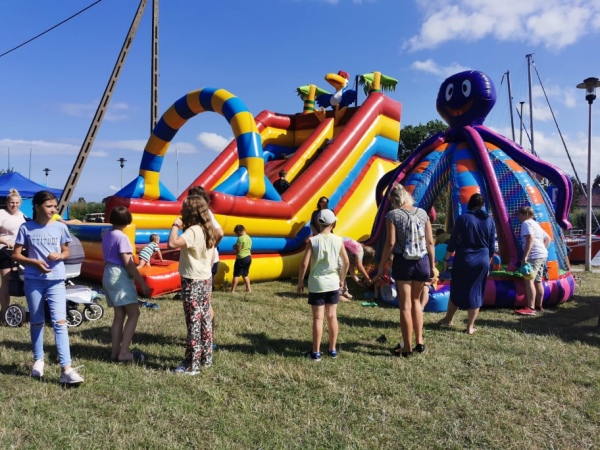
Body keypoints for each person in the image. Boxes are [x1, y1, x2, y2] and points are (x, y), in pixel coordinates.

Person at [12, 190, 84, 385]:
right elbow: (16, 255)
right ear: (37, 207)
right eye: (49, 206)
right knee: (37, 321)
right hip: (33, 280)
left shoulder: (60, 227)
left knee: (60, 323)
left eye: (55, 206)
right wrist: (34, 262)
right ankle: (38, 361)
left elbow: (66, 250)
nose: (54, 210)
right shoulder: (26, 228)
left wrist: (61, 255)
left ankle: (66, 369)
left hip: (56, 280)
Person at [378, 184, 435, 357]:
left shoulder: (393, 215)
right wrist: (432, 266)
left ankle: (407, 347)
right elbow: (430, 242)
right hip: (422, 261)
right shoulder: (423, 213)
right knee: (416, 301)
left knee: (405, 305)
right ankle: (419, 341)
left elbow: (390, 243)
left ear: (394, 200)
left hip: (403, 261)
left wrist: (382, 264)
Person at [168, 195, 217, 375]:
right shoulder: (207, 229)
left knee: (193, 322)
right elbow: (211, 256)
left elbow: (172, 243)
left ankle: (192, 364)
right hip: (205, 279)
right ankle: (205, 358)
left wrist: (175, 225)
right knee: (204, 320)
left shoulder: (193, 231)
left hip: (192, 281)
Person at [438, 193, 496, 334]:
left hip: (464, 258)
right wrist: (488, 264)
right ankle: (470, 326)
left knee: (456, 288)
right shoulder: (489, 221)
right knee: (477, 292)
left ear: (470, 203)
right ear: (482, 205)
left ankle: (448, 319)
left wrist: (446, 259)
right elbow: (492, 247)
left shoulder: (463, 218)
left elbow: (453, 241)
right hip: (482, 259)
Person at [297, 209, 349, 361]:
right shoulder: (339, 240)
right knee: (332, 316)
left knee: (318, 318)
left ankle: (316, 352)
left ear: (318, 223)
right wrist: (342, 279)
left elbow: (304, 263)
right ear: (333, 224)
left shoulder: (313, 241)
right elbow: (346, 262)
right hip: (333, 283)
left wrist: (300, 281)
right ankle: (332, 350)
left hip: (317, 284)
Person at [102, 206, 152, 362]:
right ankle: (124, 353)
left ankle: (115, 352)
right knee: (134, 313)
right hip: (119, 276)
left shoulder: (107, 235)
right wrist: (142, 283)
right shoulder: (122, 237)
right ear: (128, 220)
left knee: (119, 315)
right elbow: (128, 263)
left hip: (108, 273)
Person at [187, 186, 224, 348]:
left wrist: (211, 248)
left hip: (207, 263)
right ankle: (204, 338)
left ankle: (209, 340)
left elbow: (220, 232)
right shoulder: (199, 214)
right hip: (202, 262)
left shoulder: (205, 213)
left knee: (205, 302)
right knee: (202, 301)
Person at [515, 206, 551, 316]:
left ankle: (531, 308)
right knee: (538, 281)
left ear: (525, 214)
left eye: (519, 215)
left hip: (534, 255)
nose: (518, 217)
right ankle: (539, 306)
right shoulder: (536, 224)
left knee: (529, 280)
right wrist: (543, 249)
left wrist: (525, 256)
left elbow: (530, 239)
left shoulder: (526, 223)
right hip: (542, 254)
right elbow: (548, 238)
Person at [0, 189, 27, 323]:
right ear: (7, 202)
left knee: (20, 279)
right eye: (12, 202)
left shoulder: (22, 215)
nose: (14, 205)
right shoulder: (2, 214)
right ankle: (4, 312)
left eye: (16, 203)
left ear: (20, 203)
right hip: (4, 250)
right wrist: (6, 242)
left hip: (20, 251)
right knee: (6, 280)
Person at [231, 224, 252, 293]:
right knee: (245, 274)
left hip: (241, 258)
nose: (236, 235)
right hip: (248, 257)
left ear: (239, 232)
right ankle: (249, 289)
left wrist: (234, 247)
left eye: (236, 233)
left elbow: (238, 249)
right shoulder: (248, 237)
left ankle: (233, 290)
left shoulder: (240, 238)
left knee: (236, 274)